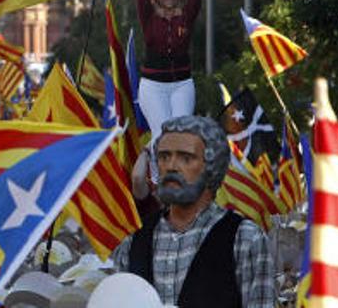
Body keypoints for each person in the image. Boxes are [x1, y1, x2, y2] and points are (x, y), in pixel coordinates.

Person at [112, 115, 275, 307]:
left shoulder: (245, 239)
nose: (171, 166)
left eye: (186, 158)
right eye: (164, 156)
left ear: (212, 167)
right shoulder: (132, 242)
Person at [136, 0, 200, 168]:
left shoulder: (185, 17)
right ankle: (156, 177)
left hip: (182, 84)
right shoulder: (149, 18)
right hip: (153, 86)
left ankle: (177, 177)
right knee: (162, 132)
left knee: (180, 133)